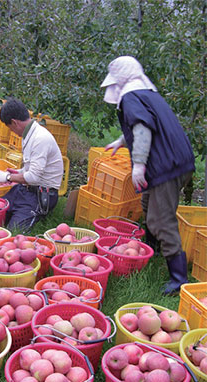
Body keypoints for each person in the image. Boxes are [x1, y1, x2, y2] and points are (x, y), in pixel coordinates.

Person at [100, 55, 195, 296]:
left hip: (165, 166)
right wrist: (122, 141)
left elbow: (143, 127)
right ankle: (150, 251)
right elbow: (144, 125)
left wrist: (138, 165)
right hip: (175, 160)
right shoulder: (147, 92)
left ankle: (178, 279)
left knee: (161, 220)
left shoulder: (132, 96)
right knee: (147, 204)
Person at [0, 98, 63, 232]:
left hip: (42, 195)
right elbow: (31, 169)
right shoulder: (29, 134)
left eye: (10, 128)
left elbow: (34, 177)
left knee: (14, 231)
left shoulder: (40, 138)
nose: (12, 132)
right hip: (26, 189)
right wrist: (18, 172)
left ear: (14, 122)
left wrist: (7, 177)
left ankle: (30, 214)